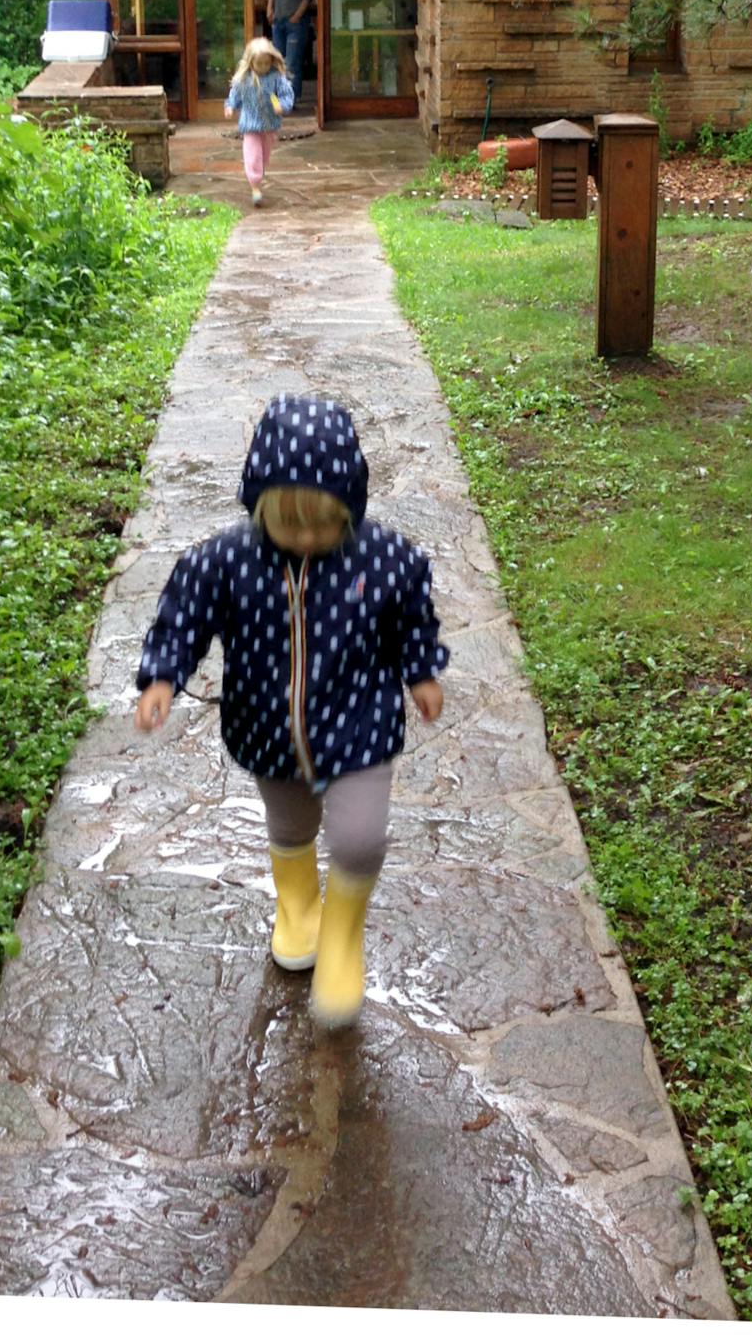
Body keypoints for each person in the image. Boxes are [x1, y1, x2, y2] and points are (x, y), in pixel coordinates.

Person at [134, 394, 449, 1029]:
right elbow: (183, 615)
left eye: (325, 523)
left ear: (351, 509)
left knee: (359, 839)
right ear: (259, 505)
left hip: (360, 726)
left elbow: (412, 615)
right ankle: (299, 902)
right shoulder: (225, 563)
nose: (307, 537)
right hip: (267, 730)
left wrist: (421, 669)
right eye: (290, 523)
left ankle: (340, 938)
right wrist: (163, 675)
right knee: (290, 824)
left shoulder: (384, 561)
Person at [225, 37, 294, 208]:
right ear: (250, 62)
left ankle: (257, 177)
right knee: (253, 155)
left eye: (266, 63)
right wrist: (230, 107)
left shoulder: (276, 77)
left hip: (270, 125)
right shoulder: (244, 79)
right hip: (250, 125)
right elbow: (235, 95)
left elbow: (287, 95)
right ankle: (255, 186)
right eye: (259, 63)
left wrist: (282, 106)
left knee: (263, 156)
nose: (263, 67)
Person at [266, 0, 312, 108]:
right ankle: (279, 97)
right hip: (278, 22)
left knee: (292, 62)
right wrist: (269, 9)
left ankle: (291, 98)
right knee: (278, 61)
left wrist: (297, 16)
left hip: (295, 24)